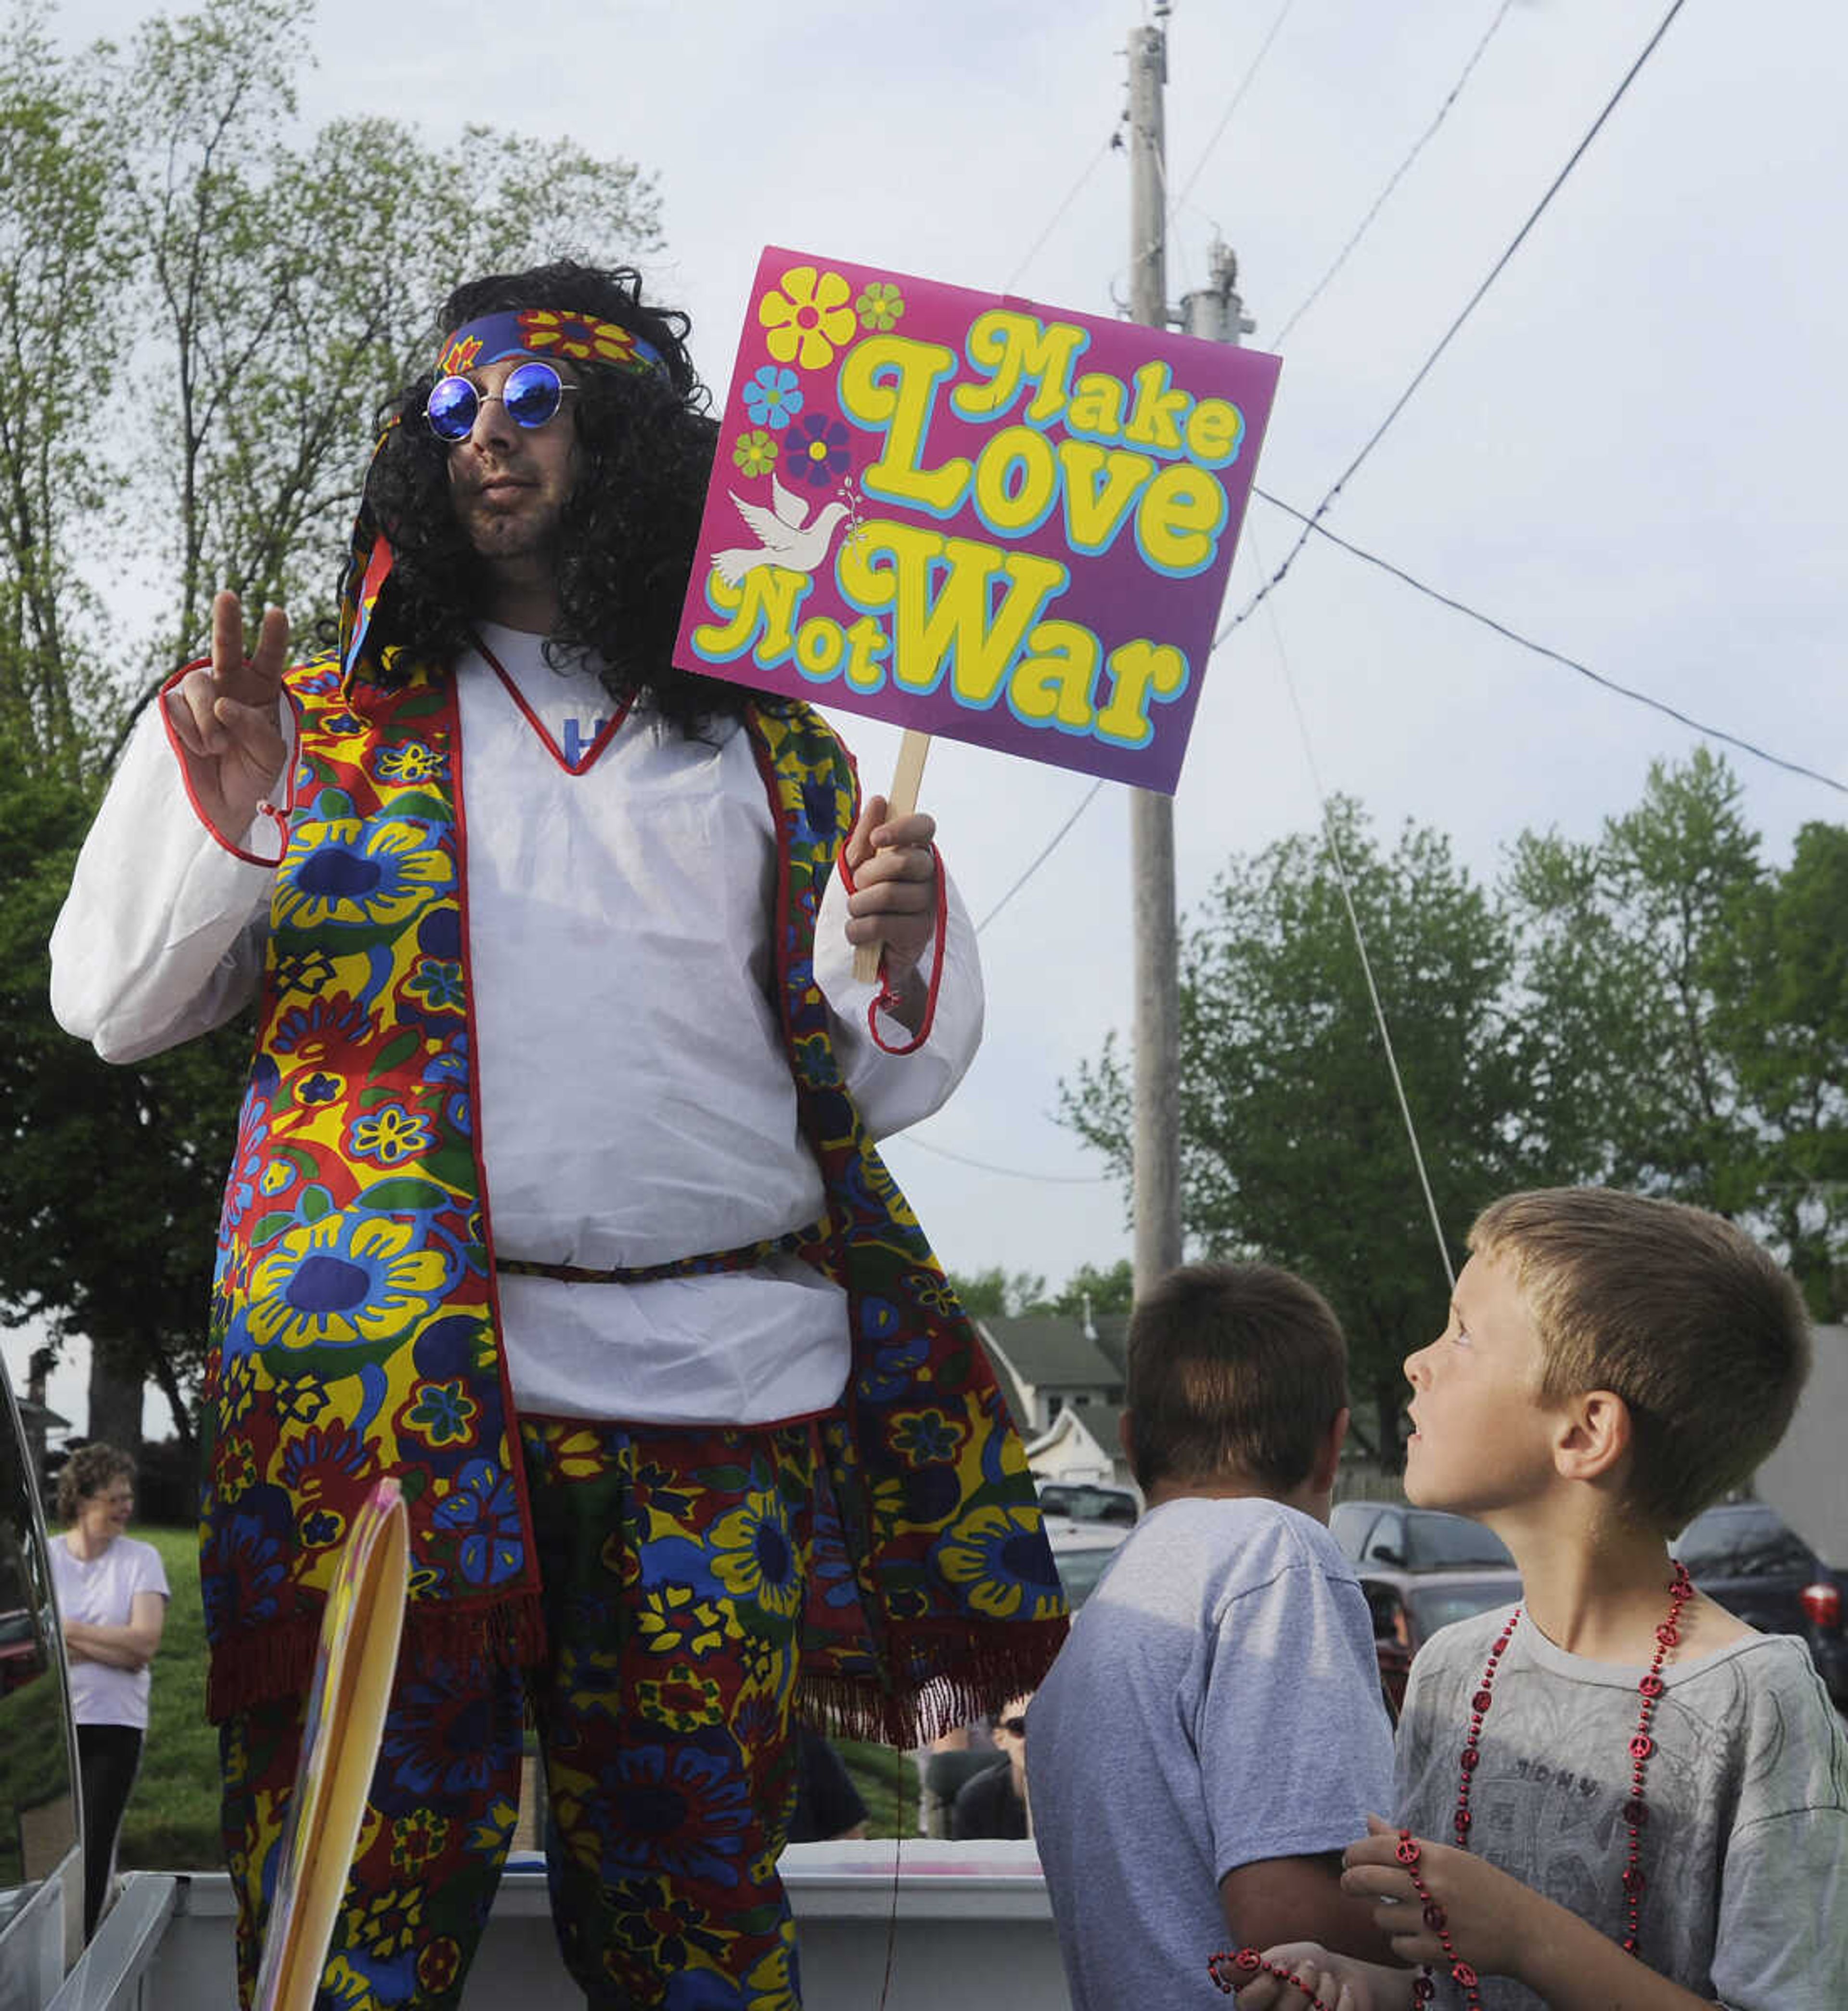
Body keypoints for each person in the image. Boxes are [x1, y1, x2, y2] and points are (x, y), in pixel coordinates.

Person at [50, 261, 1065, 2011]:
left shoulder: (782, 741)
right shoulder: (303, 718)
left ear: (633, 442)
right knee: (351, 1914)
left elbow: (889, 1079)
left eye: (533, 403)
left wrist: (880, 949)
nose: (487, 442)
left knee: (697, 1911)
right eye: (452, 411)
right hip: (385, 1417)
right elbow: (113, 1000)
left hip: (714, 1393)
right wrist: (229, 808)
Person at [1230, 1188, 1848, 2011]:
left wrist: (1528, 1934)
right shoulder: (1453, 1670)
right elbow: (1446, 1983)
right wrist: (1356, 1984)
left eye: (1462, 1333)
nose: (1419, 1361)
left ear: (1586, 1433)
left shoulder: (1758, 1698)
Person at [1028, 1263, 1398, 2011]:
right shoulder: (1274, 1552)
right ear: (1333, 1444)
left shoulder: (1109, 1606)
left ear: (1130, 1445)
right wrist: (1507, 1924)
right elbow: (1290, 1928)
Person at [47, 1442, 170, 1937]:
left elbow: (144, 1643)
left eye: (128, 1496)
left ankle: (79, 1948)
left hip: (116, 1725)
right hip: (54, 1722)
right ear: (82, 1499)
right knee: (47, 1846)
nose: (127, 1506)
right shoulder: (49, 1556)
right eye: (114, 1497)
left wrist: (69, 1630)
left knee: (95, 1844)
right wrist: (109, 1647)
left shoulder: (142, 1558)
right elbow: (37, 1641)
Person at [949, 1693, 1032, 1840]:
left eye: (1047, 1723)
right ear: (1000, 1739)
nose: (1036, 1736)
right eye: (1020, 1727)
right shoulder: (978, 1800)